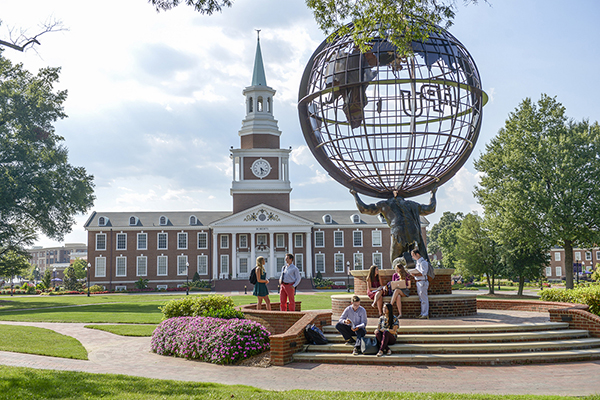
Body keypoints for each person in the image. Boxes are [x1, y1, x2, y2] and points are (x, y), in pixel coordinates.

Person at [351, 187, 436, 263]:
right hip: (413, 231)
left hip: (398, 231)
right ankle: (409, 261)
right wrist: (433, 193)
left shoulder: (384, 204)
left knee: (395, 260)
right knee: (411, 253)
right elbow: (431, 208)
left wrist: (355, 195)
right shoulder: (411, 204)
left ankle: (403, 260)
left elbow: (364, 208)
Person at [410, 248, 429, 319]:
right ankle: (423, 313)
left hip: (422, 282)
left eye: (413, 255)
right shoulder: (418, 262)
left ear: (417, 254)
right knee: (422, 299)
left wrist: (414, 274)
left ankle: (425, 314)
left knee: (424, 299)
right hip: (419, 282)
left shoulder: (423, 262)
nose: (412, 257)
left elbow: (423, 273)